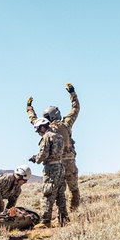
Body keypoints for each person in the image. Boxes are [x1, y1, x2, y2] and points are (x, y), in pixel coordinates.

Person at [26, 83, 80, 211]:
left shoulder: (45, 128)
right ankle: (73, 210)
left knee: (55, 190)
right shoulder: (66, 124)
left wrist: (29, 108)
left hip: (55, 163)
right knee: (73, 187)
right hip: (69, 161)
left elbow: (33, 120)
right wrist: (72, 93)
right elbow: (76, 108)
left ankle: (58, 214)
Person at [28, 118, 68, 227]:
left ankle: (45, 221)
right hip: (60, 167)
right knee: (60, 194)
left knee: (47, 193)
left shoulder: (47, 137)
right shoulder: (59, 136)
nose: (38, 134)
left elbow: (44, 154)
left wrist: (35, 159)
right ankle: (63, 219)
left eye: (38, 131)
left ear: (42, 127)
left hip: (51, 168)